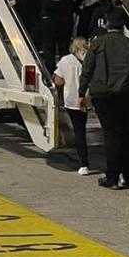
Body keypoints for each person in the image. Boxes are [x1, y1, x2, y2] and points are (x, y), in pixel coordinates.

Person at [80, 12, 129, 189]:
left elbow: (87, 69)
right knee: (128, 136)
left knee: (111, 135)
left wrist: (81, 93)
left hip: (103, 95)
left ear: (107, 25)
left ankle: (112, 178)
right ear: (123, 26)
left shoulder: (98, 43)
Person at [55, 37, 92, 175]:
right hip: (86, 99)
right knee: (81, 129)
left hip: (71, 100)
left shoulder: (65, 60)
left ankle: (84, 164)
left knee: (78, 131)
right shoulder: (90, 60)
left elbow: (58, 81)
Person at [37, 0, 78, 72]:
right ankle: (63, 72)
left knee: (48, 46)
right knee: (63, 46)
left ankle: (50, 72)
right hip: (64, 18)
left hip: (47, 17)